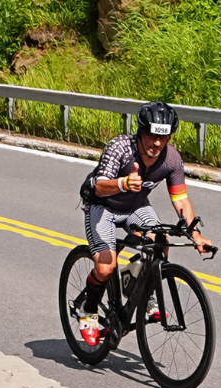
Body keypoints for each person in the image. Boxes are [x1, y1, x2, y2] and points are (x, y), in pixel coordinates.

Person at [72, 101, 212, 348]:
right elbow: (98, 186)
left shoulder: (172, 159)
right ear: (140, 131)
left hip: (135, 207)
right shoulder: (120, 148)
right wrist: (123, 184)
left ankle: (141, 290)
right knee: (105, 268)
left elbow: (180, 198)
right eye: (150, 135)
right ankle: (88, 310)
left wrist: (196, 235)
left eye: (163, 136)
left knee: (161, 240)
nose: (156, 143)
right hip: (102, 205)